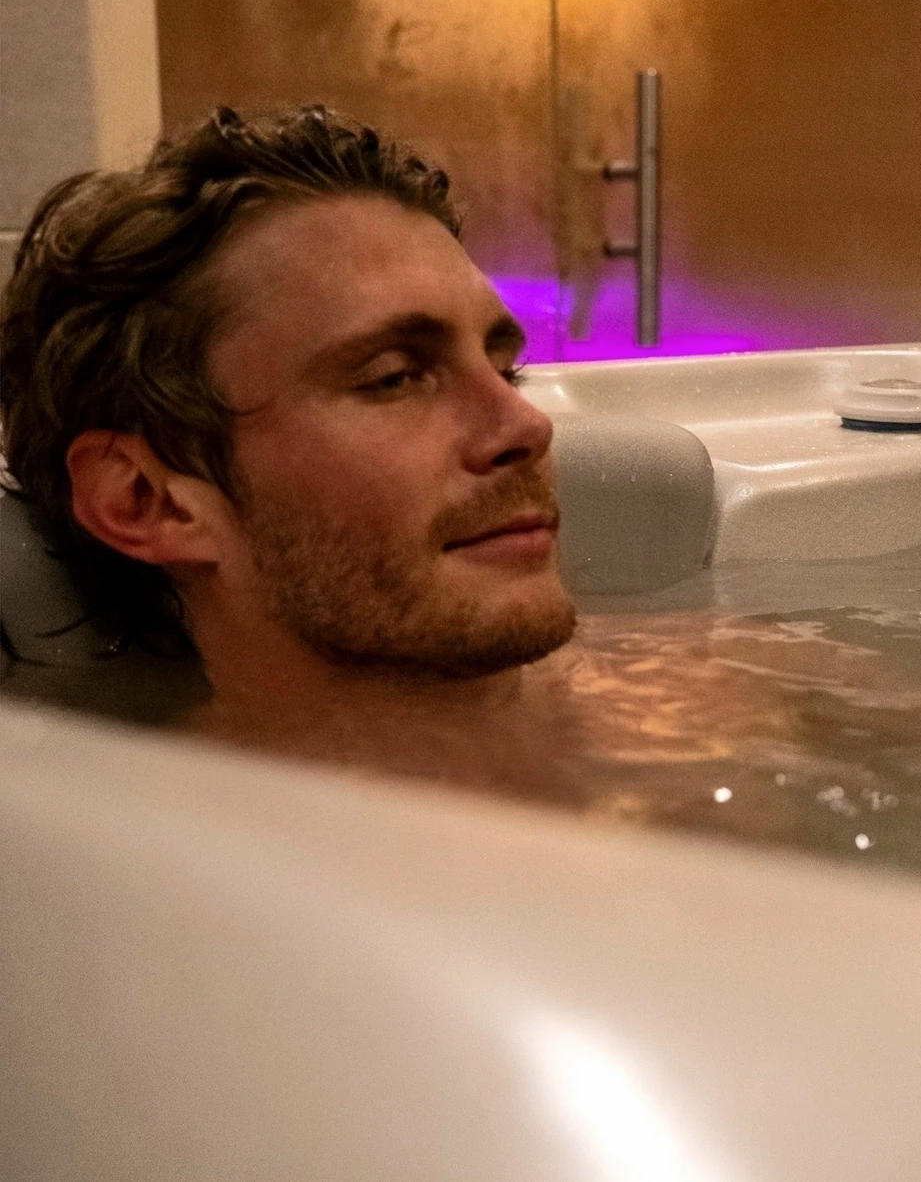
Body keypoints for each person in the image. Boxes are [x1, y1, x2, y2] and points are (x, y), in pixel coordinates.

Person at [0, 104, 580, 776]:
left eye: (508, 369)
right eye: (392, 379)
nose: (526, 426)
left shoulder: (658, 731)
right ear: (147, 500)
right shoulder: (146, 864)